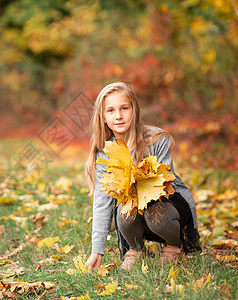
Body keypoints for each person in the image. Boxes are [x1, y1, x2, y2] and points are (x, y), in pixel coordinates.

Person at [84, 82, 201, 271]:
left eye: (124, 108)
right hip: (133, 210)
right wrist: (97, 250)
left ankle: (173, 245)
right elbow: (102, 202)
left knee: (157, 214)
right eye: (111, 111)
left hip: (166, 204)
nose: (119, 116)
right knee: (124, 210)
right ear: (103, 118)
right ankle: (136, 249)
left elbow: (165, 184)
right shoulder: (105, 152)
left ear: (134, 110)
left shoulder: (156, 139)